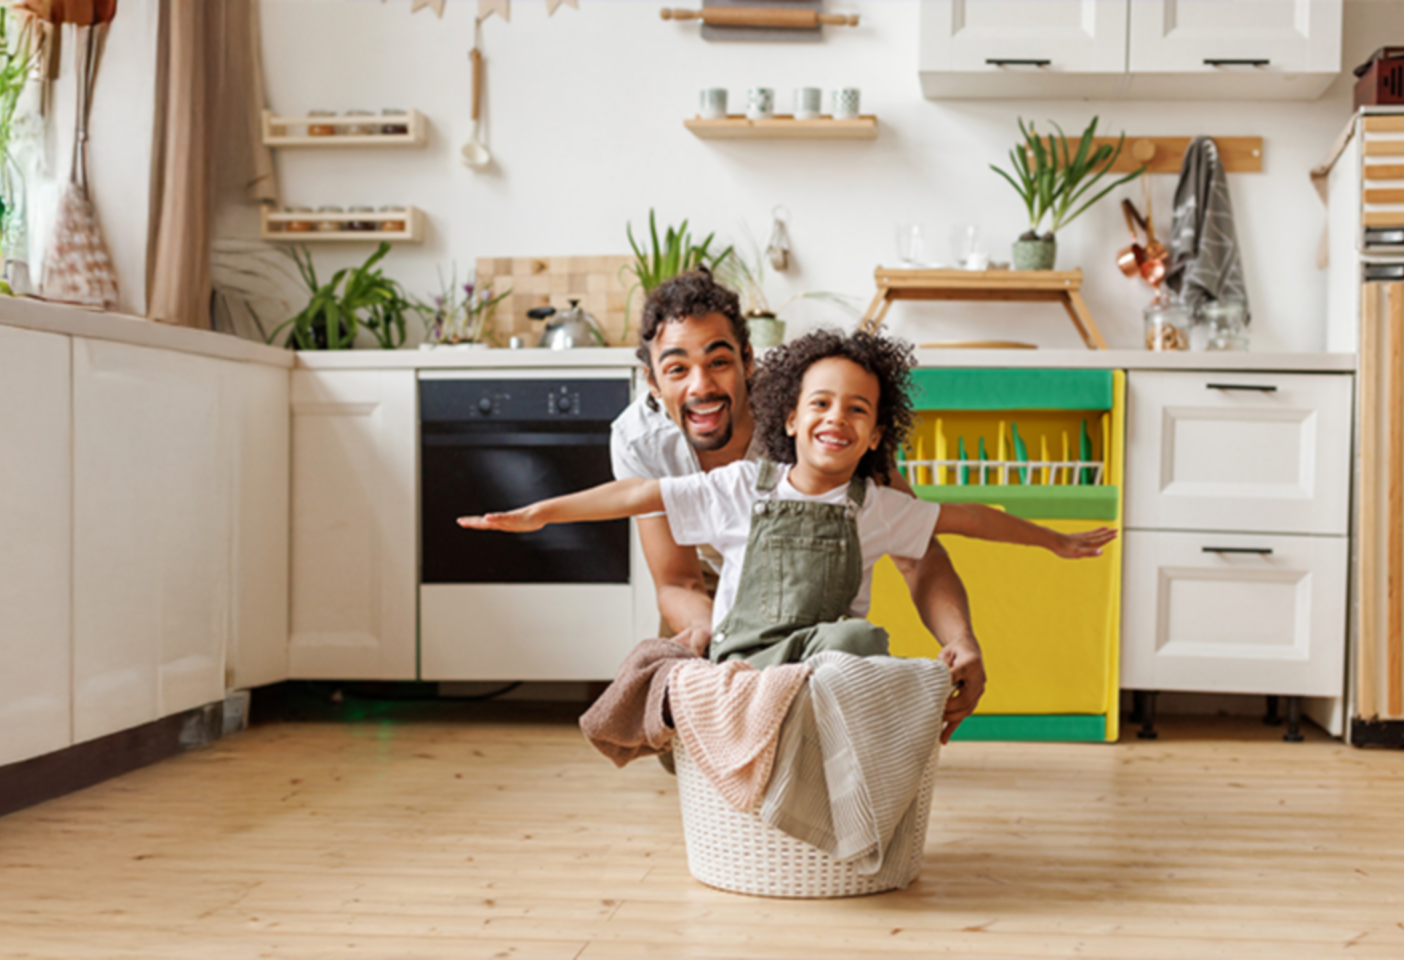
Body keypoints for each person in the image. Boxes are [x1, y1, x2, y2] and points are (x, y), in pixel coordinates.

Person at [459, 329, 1115, 678]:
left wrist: (1053, 540)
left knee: (861, 638)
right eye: (821, 405)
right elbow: (637, 494)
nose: (838, 418)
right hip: (744, 651)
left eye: (857, 410)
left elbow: (968, 520)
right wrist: (543, 511)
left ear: (877, 435)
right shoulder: (745, 487)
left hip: (823, 659)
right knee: (683, 667)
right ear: (792, 419)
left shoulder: (877, 504)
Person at [607, 269, 985, 741]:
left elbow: (919, 555)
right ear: (653, 380)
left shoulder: (816, 412)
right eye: (678, 368)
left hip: (808, 582)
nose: (701, 387)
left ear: (748, 360)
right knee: (690, 730)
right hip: (706, 585)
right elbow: (677, 580)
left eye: (719, 362)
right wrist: (724, 648)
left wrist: (960, 640)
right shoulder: (639, 441)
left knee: (811, 721)